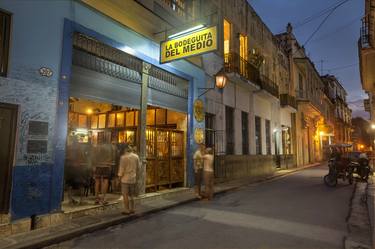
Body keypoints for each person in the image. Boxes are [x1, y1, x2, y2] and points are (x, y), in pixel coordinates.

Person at [118, 144, 140, 215]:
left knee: (125, 195)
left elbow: (121, 169)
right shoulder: (136, 156)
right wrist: (137, 177)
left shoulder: (123, 157)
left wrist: (119, 178)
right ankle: (132, 209)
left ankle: (127, 210)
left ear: (124, 150)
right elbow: (138, 168)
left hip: (125, 179)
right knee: (131, 195)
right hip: (133, 178)